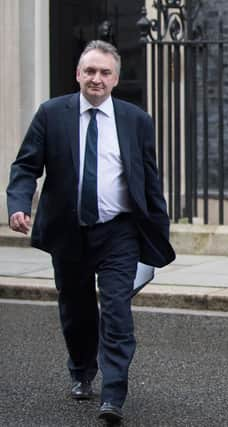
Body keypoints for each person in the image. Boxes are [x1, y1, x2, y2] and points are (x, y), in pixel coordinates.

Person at [6, 40, 175, 423]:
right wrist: (17, 206)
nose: (96, 79)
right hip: (69, 231)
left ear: (115, 79)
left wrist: (158, 233)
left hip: (119, 232)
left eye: (104, 72)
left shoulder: (136, 120)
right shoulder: (52, 114)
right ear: (78, 74)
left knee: (116, 310)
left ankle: (113, 394)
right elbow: (26, 166)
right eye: (89, 71)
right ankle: (82, 371)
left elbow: (150, 180)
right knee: (77, 309)